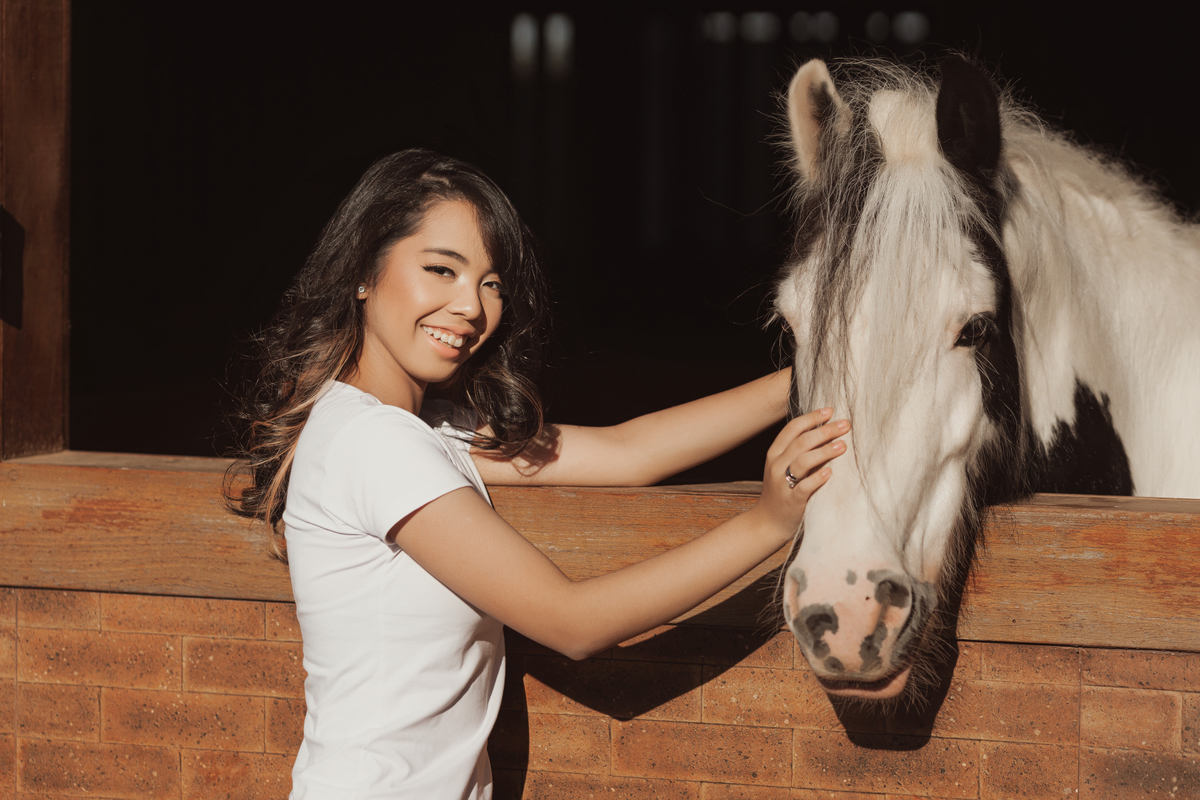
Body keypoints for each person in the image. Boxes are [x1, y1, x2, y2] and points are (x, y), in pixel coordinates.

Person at [227, 149, 848, 800]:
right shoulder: (374, 441)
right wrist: (767, 522)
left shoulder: (417, 429)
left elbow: (628, 452)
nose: (470, 306)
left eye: (491, 283)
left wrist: (814, 373)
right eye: (441, 270)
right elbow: (571, 622)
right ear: (363, 271)